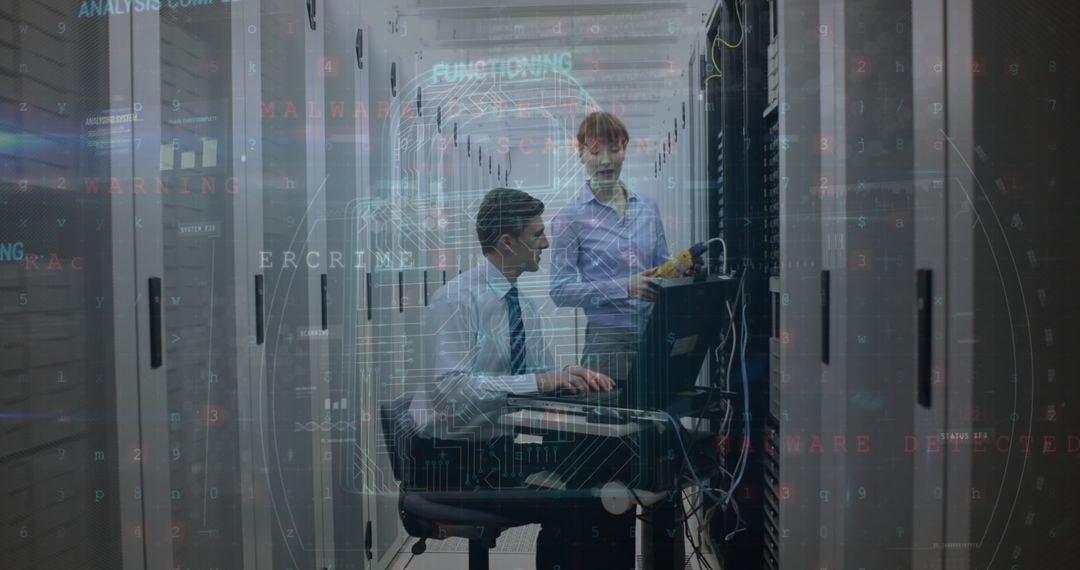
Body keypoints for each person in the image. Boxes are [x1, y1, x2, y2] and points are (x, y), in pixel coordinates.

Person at [406, 187, 634, 569]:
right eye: (537, 234)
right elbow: (453, 388)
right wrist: (542, 382)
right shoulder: (456, 300)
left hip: (494, 450)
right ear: (507, 243)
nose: (546, 242)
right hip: (449, 460)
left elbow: (540, 379)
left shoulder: (524, 307)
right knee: (577, 499)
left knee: (608, 478)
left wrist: (567, 377)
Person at [549, 111, 673, 386]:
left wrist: (679, 273)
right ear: (580, 154)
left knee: (656, 425)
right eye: (595, 152)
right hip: (607, 342)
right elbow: (560, 291)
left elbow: (663, 267)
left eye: (614, 149)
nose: (605, 161)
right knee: (608, 426)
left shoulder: (648, 208)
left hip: (655, 335)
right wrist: (625, 287)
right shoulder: (570, 218)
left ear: (625, 150)